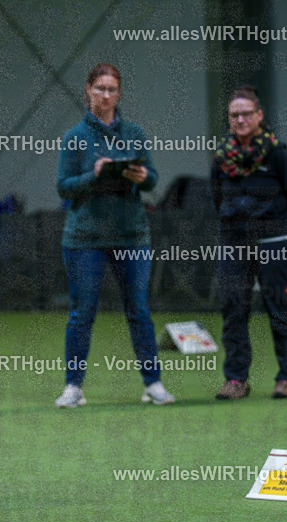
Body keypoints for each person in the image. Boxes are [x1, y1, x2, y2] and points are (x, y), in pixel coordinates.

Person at [54, 63, 174, 408]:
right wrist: (93, 176)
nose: (105, 95)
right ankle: (73, 387)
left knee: (139, 310)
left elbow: (152, 179)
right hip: (84, 239)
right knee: (81, 313)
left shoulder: (135, 133)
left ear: (118, 94)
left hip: (132, 236)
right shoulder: (74, 137)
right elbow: (64, 187)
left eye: (111, 90)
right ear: (87, 91)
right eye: (99, 89)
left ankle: (153, 384)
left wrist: (139, 176)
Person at [211, 85, 287, 400]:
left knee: (279, 307)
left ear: (259, 116)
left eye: (246, 114)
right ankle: (236, 380)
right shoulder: (222, 157)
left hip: (273, 240)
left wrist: (274, 227)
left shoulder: (279, 155)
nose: (240, 119)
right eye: (234, 115)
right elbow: (217, 197)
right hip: (233, 243)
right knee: (233, 308)